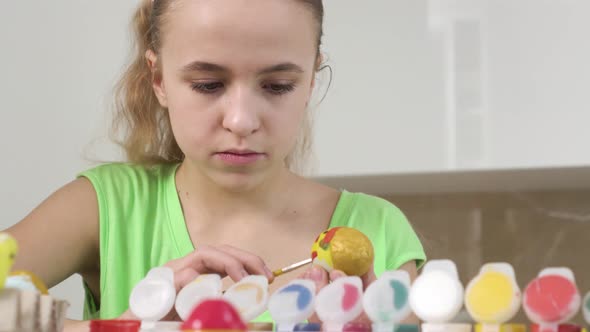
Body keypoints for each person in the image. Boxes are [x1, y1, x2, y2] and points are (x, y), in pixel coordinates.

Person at [3, 0, 426, 330]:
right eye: (208, 84)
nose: (241, 120)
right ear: (158, 79)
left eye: (278, 86)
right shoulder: (104, 207)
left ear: (311, 80)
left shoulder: (378, 229)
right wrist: (126, 329)